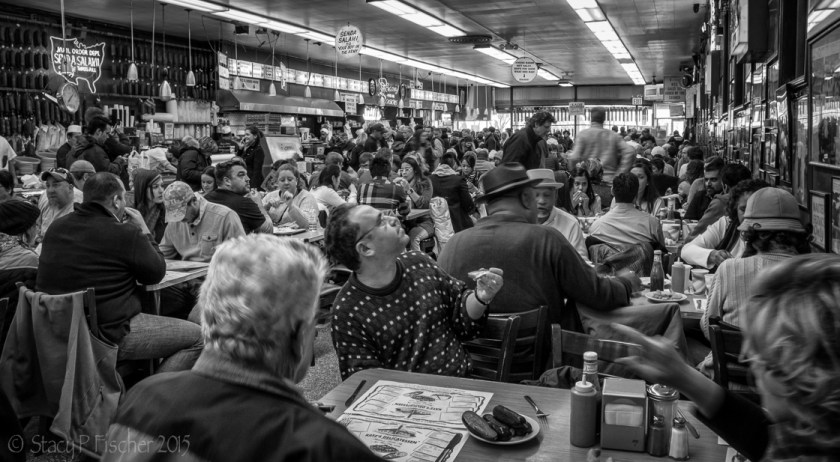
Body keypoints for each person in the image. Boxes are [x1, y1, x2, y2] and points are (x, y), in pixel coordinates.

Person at [101, 235, 382, 462]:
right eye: (315, 324)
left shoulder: (142, 398)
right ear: (299, 335)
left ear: (209, 314)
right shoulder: (320, 445)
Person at [614, 253, 840, 461]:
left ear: (808, 374)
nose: (746, 358)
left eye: (766, 356)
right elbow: (764, 436)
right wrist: (682, 376)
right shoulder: (810, 436)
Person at [439, 163, 639, 331]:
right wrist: (626, 283)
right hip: (539, 366)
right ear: (527, 199)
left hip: (470, 366)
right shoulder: (546, 240)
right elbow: (598, 294)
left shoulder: (452, 245)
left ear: (488, 205)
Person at [37, 173, 202, 371]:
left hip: (56, 329)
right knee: (199, 338)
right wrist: (143, 229)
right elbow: (156, 273)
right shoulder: (124, 232)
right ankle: (152, 393)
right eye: (123, 198)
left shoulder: (56, 227)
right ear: (116, 200)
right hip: (107, 333)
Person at [325, 204, 504, 380]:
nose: (393, 219)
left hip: (462, 385)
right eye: (381, 221)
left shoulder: (419, 262)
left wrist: (480, 297)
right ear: (365, 249)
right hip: (403, 403)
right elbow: (364, 382)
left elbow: (462, 317)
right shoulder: (348, 311)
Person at [701, 187, 811, 341]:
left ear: (754, 234)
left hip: (732, 362)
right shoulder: (813, 274)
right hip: (789, 364)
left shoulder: (729, 268)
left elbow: (708, 328)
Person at [682, 179, 768, 269]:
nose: (748, 215)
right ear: (736, 208)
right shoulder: (728, 224)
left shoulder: (774, 237)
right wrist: (712, 255)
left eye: (755, 209)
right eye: (743, 209)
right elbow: (687, 250)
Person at [588, 172, 666, 248]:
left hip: (609, 260)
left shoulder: (597, 226)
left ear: (613, 192)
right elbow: (663, 250)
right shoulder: (651, 224)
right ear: (636, 195)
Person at [527, 169, 589, 263]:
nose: (542, 201)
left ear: (555, 196)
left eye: (547, 195)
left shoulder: (570, 224)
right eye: (536, 195)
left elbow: (582, 264)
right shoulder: (516, 223)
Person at [204, 159, 272, 234]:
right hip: (236, 245)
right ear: (227, 181)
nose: (248, 179)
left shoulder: (204, 200)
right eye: (241, 175)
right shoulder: (244, 203)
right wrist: (259, 204)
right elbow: (267, 230)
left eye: (247, 175)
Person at [568, 107, 635, 184]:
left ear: (591, 118)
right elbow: (630, 152)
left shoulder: (583, 135)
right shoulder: (613, 135)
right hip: (609, 180)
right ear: (604, 118)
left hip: (588, 181)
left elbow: (573, 158)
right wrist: (619, 174)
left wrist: (574, 175)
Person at [687, 163, 752, 239]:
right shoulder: (755, 199)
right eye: (706, 179)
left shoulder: (721, 202)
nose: (708, 183)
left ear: (725, 186)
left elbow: (697, 234)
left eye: (714, 180)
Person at [262, 163, 320, 229]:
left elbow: (308, 225)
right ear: (277, 182)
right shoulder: (270, 196)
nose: (286, 183)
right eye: (282, 180)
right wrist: (267, 207)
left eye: (290, 179)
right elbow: (255, 218)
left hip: (303, 237)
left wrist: (291, 205)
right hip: (277, 237)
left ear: (296, 181)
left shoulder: (307, 197)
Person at [396, 157, 434, 251]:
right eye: (402, 170)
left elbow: (424, 205)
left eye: (407, 169)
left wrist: (409, 189)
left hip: (423, 222)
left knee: (413, 236)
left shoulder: (425, 182)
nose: (404, 172)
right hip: (406, 223)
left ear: (415, 170)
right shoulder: (399, 183)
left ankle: (416, 262)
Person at [35, 167, 82, 244]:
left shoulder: (80, 206)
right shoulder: (45, 197)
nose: (50, 190)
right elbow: (37, 228)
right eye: (48, 185)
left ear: (70, 188)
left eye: (56, 185)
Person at [431, 152, 475, 233]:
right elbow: (468, 205)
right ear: (454, 164)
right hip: (457, 224)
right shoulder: (459, 180)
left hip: (435, 222)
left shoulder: (430, 179)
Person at [129, 169, 166, 243]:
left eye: (162, 186)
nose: (161, 190)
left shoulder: (164, 211)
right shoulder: (130, 212)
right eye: (155, 187)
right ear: (143, 188)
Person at [0, 200, 39, 270]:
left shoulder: (5, 249)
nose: (38, 229)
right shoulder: (29, 258)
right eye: (35, 225)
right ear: (26, 229)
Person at [240, 126, 266, 191]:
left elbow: (257, 171)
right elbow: (239, 161)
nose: (245, 137)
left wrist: (253, 188)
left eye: (247, 134)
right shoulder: (248, 148)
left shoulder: (258, 150)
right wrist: (240, 149)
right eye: (245, 134)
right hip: (246, 180)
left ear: (255, 136)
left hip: (254, 183)